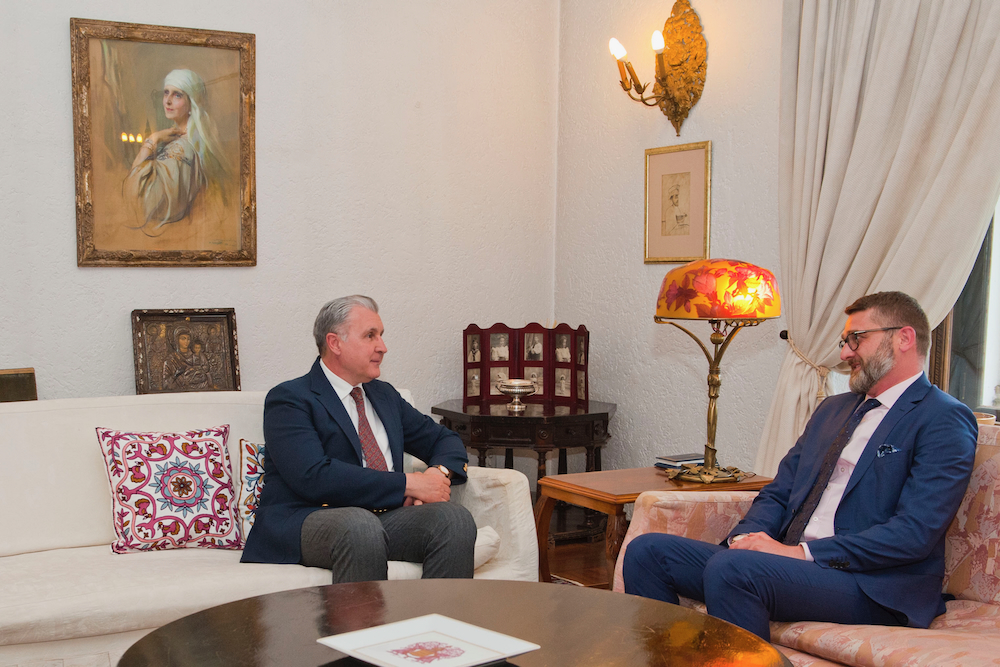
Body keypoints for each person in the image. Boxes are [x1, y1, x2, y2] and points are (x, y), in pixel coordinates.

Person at [624, 291, 977, 640]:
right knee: (647, 552)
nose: (845, 353)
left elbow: (913, 534)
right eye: (844, 342)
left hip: (873, 584)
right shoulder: (833, 409)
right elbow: (779, 492)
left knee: (733, 569)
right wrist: (746, 539)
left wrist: (799, 553)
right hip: (792, 566)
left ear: (904, 338)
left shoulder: (942, 417)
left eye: (856, 339)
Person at [241, 296, 476, 582]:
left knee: (453, 519)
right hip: (308, 519)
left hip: (382, 518)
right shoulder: (291, 399)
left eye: (381, 335)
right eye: (370, 336)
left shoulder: (384, 395)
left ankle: (433, 612)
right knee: (359, 525)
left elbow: (444, 439)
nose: (382, 346)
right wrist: (409, 484)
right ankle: (365, 616)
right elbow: (313, 476)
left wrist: (436, 474)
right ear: (335, 343)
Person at [124, 69, 228, 236]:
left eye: (177, 95)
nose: (168, 101)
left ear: (191, 103)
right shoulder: (180, 138)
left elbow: (140, 197)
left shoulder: (182, 147)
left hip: (176, 234)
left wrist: (152, 140)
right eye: (166, 93)